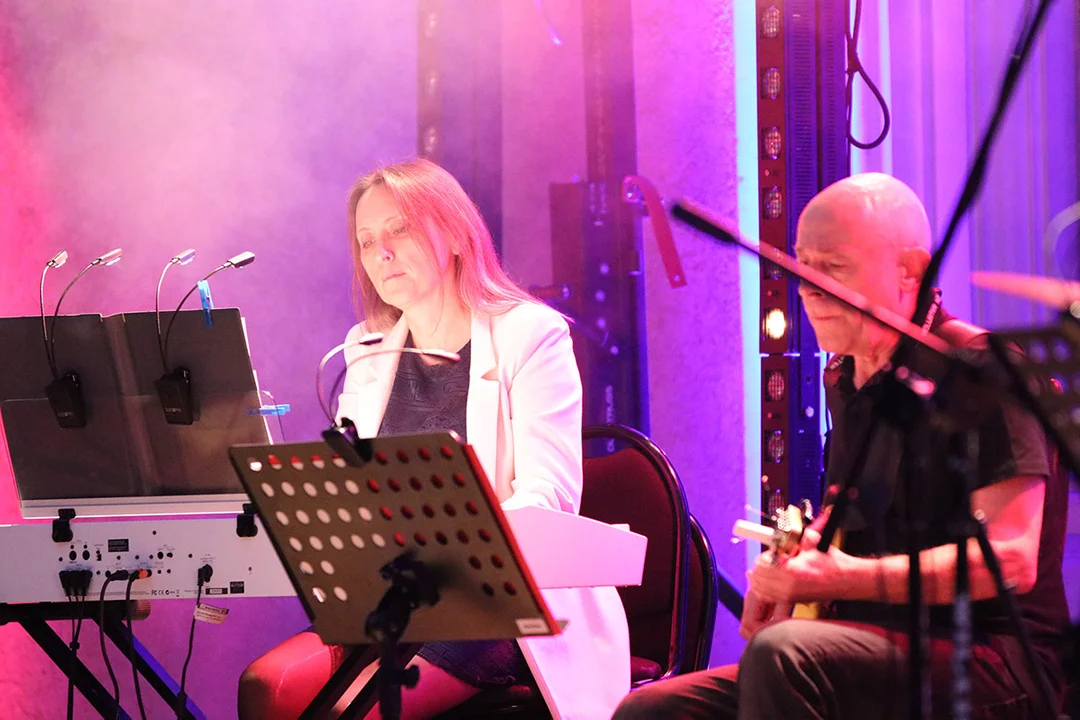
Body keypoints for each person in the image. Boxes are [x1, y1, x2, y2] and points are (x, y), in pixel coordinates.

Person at [612, 173, 1069, 719]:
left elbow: (1011, 558)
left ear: (909, 271)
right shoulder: (844, 377)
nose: (807, 288)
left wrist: (841, 576)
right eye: (802, 265)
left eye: (833, 266)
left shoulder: (982, 371)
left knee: (785, 654)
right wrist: (793, 565)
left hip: (991, 660)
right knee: (654, 709)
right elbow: (857, 516)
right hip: (874, 645)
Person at [238, 158, 630, 719]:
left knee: (352, 711)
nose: (381, 252)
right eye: (366, 241)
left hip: (499, 604)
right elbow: (354, 493)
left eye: (398, 229)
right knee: (266, 687)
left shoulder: (530, 334)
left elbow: (550, 498)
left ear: (455, 235)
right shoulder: (365, 348)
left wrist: (450, 548)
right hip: (395, 599)